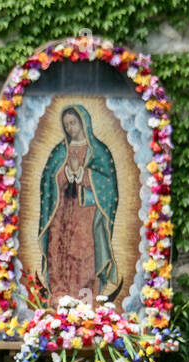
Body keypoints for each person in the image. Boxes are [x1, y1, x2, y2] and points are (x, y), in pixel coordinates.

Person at [38, 104, 121, 304]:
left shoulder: (99, 151)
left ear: (84, 122)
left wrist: (82, 173)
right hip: (62, 210)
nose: (70, 128)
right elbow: (48, 180)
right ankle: (60, 296)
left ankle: (86, 299)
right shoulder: (60, 151)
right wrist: (66, 172)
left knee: (83, 252)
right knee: (59, 250)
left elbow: (109, 185)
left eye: (73, 123)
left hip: (87, 213)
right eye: (66, 125)